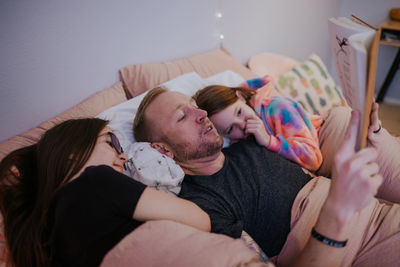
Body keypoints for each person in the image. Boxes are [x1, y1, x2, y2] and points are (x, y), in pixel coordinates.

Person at [133, 87, 400, 266]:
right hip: (351, 243)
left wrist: (369, 132)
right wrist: (337, 210)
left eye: (194, 106)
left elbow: (307, 148)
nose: (202, 114)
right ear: (162, 149)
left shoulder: (250, 142)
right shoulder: (199, 204)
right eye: (182, 116)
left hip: (374, 207)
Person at [0, 118, 211, 267]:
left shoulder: (47, 236)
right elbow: (200, 220)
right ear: (75, 151)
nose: (124, 157)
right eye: (111, 143)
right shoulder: (96, 181)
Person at [193, 77, 324, 172]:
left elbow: (313, 160)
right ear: (223, 135)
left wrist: (269, 141)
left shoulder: (278, 108)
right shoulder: (238, 141)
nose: (242, 124)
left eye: (239, 112)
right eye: (231, 128)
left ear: (241, 98)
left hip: (325, 135)